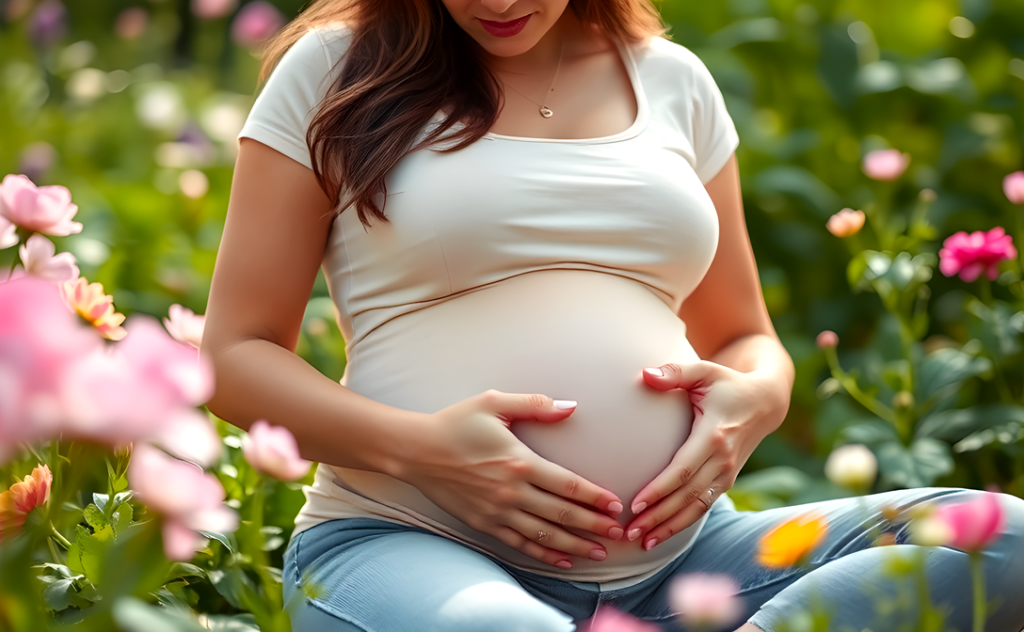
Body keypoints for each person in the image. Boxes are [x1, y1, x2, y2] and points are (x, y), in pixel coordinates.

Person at [202, 0, 1024, 630]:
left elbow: (745, 337)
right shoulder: (337, 68)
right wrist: (427, 453)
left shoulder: (674, 82)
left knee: (1004, 539)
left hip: (691, 561)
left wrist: (752, 406)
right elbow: (235, 354)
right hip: (405, 540)